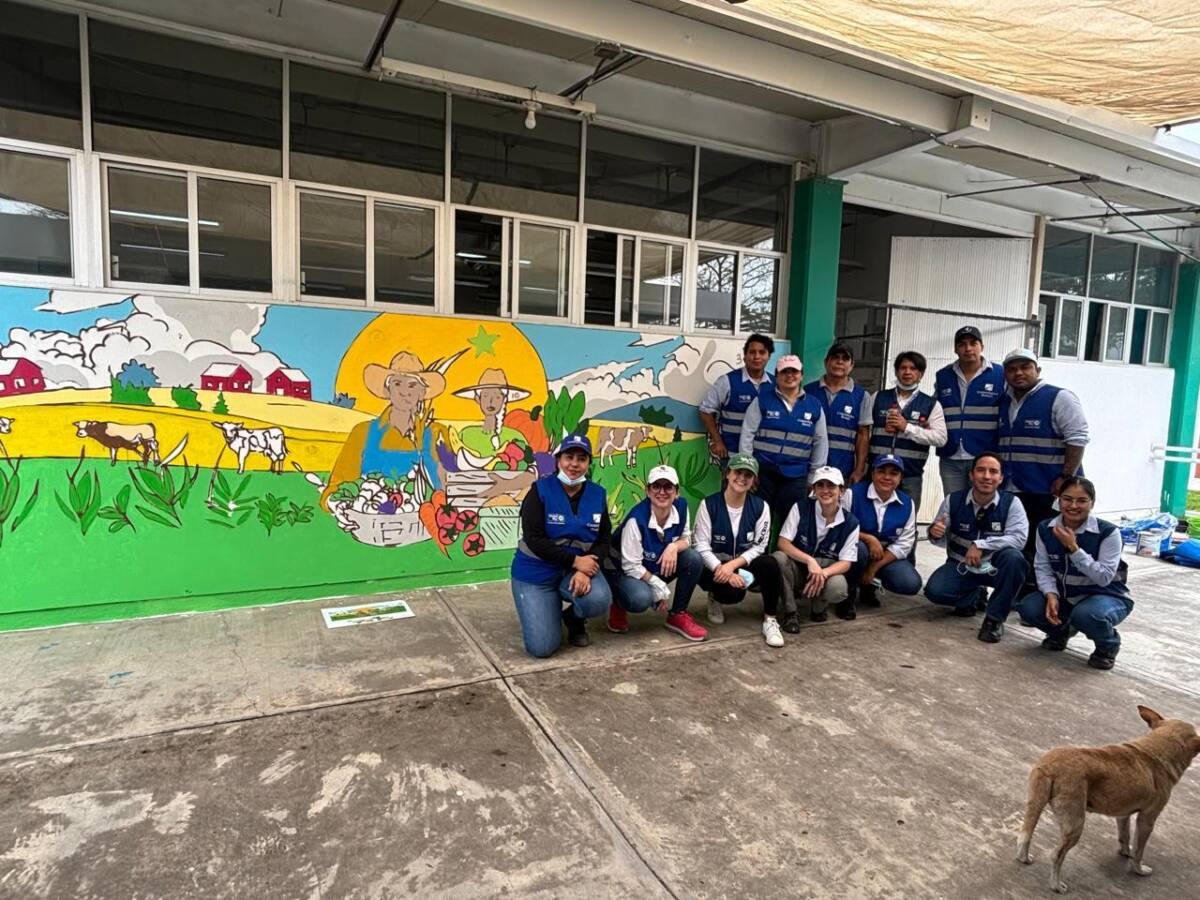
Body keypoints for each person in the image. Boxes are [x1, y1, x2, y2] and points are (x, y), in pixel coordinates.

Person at [510, 434, 613, 657]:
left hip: (573, 572)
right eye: (569, 457)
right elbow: (534, 539)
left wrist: (585, 569)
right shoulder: (539, 491)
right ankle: (547, 606)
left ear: (588, 463)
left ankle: (573, 618)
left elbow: (604, 538)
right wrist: (576, 561)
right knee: (542, 648)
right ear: (558, 460)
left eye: (581, 459)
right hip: (536, 574)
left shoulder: (597, 494)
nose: (574, 464)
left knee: (598, 599)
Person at [1016, 477, 1132, 671]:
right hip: (1066, 595)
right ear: (1058, 500)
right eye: (1067, 499)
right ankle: (1060, 632)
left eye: (1082, 500)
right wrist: (1050, 594)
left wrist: (1073, 548)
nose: (1073, 506)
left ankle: (1107, 646)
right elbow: (1043, 567)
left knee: (1087, 615)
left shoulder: (1108, 532)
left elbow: (1104, 577)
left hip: (1106, 595)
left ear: (1092, 503)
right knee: (1028, 607)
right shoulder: (1046, 528)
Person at [924, 452, 1030, 644]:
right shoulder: (953, 500)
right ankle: (973, 595)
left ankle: (994, 620)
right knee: (935, 591)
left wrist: (981, 545)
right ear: (971, 475)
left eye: (993, 471)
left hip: (994, 568)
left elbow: (1019, 539)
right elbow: (937, 535)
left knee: (1014, 559)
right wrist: (934, 532)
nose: (987, 476)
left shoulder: (1012, 503)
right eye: (981, 470)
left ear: (1001, 478)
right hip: (961, 565)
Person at [998, 348, 1089, 568]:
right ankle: (1024, 586)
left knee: (1049, 546)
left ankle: (1048, 587)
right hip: (1015, 488)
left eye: (1025, 367)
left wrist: (1065, 477)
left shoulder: (1059, 397)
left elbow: (1078, 438)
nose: (1019, 373)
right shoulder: (1004, 402)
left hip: (1049, 489)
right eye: (1012, 369)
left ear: (1037, 370)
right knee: (1023, 545)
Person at [324, 351, 450, 508]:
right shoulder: (362, 432)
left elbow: (450, 485)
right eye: (397, 383)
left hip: (426, 518)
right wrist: (338, 503)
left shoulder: (436, 433)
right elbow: (338, 486)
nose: (405, 392)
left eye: (412, 385)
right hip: (370, 516)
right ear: (388, 389)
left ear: (422, 392)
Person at [693, 453, 786, 648]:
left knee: (770, 564)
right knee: (731, 594)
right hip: (714, 567)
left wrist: (733, 567)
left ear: (754, 480)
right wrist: (722, 569)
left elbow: (760, 546)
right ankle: (714, 596)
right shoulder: (708, 504)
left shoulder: (761, 507)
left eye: (748, 475)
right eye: (738, 472)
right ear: (728, 473)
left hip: (741, 565)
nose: (742, 478)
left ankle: (770, 620)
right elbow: (701, 545)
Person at [608, 464, 707, 642]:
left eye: (668, 487)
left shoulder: (682, 507)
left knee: (693, 559)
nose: (662, 492)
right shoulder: (636, 519)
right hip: (624, 572)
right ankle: (618, 602)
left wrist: (673, 547)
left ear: (677, 492)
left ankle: (677, 614)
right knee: (640, 598)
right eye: (656, 486)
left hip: (653, 565)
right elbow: (630, 566)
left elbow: (686, 538)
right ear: (648, 491)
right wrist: (657, 586)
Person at [739, 354, 828, 520]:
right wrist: (748, 469)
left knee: (793, 522)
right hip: (763, 473)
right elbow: (747, 434)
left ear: (801, 375)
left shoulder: (814, 405)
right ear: (777, 375)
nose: (790, 376)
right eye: (784, 372)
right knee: (758, 518)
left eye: (794, 371)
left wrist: (814, 476)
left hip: (796, 475)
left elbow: (820, 442)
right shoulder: (762, 401)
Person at [773, 465, 861, 627]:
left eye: (831, 486)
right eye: (820, 485)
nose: (825, 490)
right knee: (778, 558)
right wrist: (809, 561)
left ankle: (819, 607)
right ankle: (790, 612)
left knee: (838, 588)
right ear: (813, 489)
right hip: (799, 569)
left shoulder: (851, 522)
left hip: (825, 571)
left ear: (841, 491)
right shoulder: (800, 508)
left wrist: (823, 573)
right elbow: (783, 543)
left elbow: (846, 562)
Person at [868, 351, 947, 507]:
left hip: (910, 476)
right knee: (871, 516)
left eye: (913, 368)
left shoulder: (931, 404)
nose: (907, 372)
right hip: (878, 473)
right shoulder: (877, 397)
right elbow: (863, 432)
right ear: (896, 371)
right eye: (903, 368)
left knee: (905, 519)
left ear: (921, 374)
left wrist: (907, 428)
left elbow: (940, 438)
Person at [934, 326, 1005, 495]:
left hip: (984, 456)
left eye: (973, 343)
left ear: (982, 346)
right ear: (955, 349)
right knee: (954, 503)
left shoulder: (999, 374)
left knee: (983, 503)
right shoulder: (943, 376)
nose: (968, 348)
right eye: (962, 344)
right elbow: (934, 410)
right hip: (950, 456)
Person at [847, 455, 923, 606]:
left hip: (883, 556)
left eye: (894, 473)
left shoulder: (907, 503)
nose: (887, 477)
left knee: (910, 583)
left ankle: (869, 587)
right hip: (854, 553)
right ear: (872, 474)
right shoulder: (852, 494)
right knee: (860, 549)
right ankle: (848, 594)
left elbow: (904, 544)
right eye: (881, 471)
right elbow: (839, 528)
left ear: (900, 478)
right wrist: (869, 539)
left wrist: (873, 568)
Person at [699, 333, 774, 462]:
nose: (757, 356)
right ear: (745, 356)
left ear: (768, 357)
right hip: (733, 456)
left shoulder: (776, 385)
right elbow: (705, 411)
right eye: (752, 352)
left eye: (762, 352)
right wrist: (717, 441)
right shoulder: (727, 381)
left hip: (765, 458)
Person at [805, 342, 872, 484]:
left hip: (843, 470)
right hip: (809, 468)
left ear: (852, 365)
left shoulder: (861, 396)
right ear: (826, 362)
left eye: (845, 358)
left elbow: (863, 435)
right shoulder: (808, 392)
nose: (840, 362)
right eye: (835, 357)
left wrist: (859, 469)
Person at [453, 367, 530, 463]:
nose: (491, 401)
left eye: (497, 397)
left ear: (504, 399)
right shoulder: (465, 435)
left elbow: (529, 464)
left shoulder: (515, 437)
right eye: (485, 396)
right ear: (478, 399)